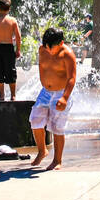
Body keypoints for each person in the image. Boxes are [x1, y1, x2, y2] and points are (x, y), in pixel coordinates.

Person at [29, 27, 76, 170]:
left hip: (61, 93)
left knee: (57, 127)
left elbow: (72, 79)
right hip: (45, 92)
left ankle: (57, 160)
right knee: (35, 119)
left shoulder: (67, 54)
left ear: (61, 43)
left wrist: (65, 98)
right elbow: (42, 66)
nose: (49, 51)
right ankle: (42, 150)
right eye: (46, 47)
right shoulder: (42, 49)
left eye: (52, 48)